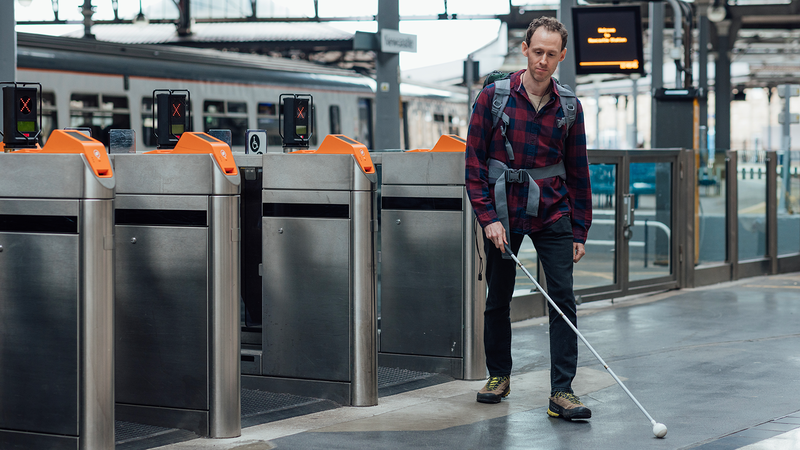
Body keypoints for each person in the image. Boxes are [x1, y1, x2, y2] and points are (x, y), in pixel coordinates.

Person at [465, 16, 592, 421]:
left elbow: (578, 170)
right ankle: (498, 376)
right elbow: (473, 164)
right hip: (502, 211)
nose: (542, 60)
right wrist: (488, 217)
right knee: (498, 298)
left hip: (553, 211)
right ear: (525, 48)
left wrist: (580, 229)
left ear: (562, 57)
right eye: (537, 51)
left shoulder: (569, 107)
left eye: (551, 54)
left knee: (563, 301)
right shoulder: (493, 98)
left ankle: (562, 392)